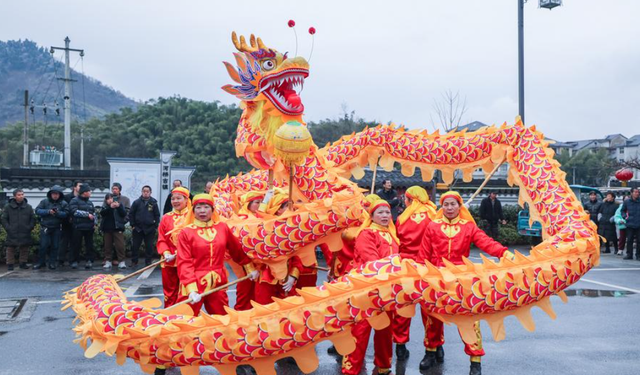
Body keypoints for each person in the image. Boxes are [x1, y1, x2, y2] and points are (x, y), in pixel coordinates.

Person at [419, 191, 510, 375]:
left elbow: (485, 242)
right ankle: (430, 351)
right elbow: (423, 254)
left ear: (459, 206)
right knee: (432, 316)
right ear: (441, 207)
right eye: (446, 204)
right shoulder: (432, 226)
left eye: (453, 204)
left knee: (469, 319)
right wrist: (422, 276)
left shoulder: (468, 227)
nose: (450, 208)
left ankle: (475, 361)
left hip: (463, 279)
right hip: (437, 277)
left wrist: (503, 252)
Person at [342, 197, 399, 375]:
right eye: (380, 212)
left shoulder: (392, 234)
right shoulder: (366, 234)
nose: (384, 216)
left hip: (387, 290)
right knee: (360, 331)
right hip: (366, 289)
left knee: (385, 329)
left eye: (387, 212)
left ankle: (383, 366)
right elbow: (371, 261)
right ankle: (351, 369)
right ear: (372, 216)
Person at [176, 194, 258, 316]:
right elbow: (184, 262)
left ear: (213, 210)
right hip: (194, 282)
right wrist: (191, 289)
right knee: (185, 319)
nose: (202, 211)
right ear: (193, 211)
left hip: (218, 282)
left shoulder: (222, 228)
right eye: (198, 207)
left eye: (206, 207)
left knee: (222, 318)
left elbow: (237, 250)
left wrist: (250, 268)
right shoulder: (186, 232)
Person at [392, 186, 437, 361]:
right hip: (428, 266)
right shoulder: (433, 213)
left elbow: (398, 242)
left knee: (403, 307)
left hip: (406, 266)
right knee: (430, 310)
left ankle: (400, 346)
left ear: (410, 199)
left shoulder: (402, 218)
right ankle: (434, 346)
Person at [156, 186, 191, 307]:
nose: (175, 201)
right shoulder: (166, 217)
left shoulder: (192, 217)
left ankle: (185, 317)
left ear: (186, 200)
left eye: (179, 198)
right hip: (169, 261)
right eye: (173, 198)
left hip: (188, 261)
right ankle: (170, 316)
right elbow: (161, 239)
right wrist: (166, 253)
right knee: (170, 292)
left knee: (186, 291)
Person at [232, 191, 265, 310]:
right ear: (248, 204)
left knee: (260, 299)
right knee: (244, 296)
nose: (260, 205)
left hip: (261, 265)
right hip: (245, 265)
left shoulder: (262, 217)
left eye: (261, 202)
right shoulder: (240, 219)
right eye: (257, 202)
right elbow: (237, 246)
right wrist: (249, 266)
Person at [34, 185, 68, 270]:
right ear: (50, 194)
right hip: (45, 227)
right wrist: (48, 211)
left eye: (57, 194)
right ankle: (41, 262)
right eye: (53, 194)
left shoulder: (63, 203)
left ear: (60, 194)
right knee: (43, 246)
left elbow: (66, 214)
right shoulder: (44, 202)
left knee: (55, 246)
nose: (55, 195)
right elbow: (37, 210)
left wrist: (57, 213)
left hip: (57, 227)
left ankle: (52, 263)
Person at [1, 189, 36, 271]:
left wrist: (30, 227)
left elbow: (33, 219)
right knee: (10, 248)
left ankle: (23, 263)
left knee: (24, 248)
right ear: (14, 196)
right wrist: (8, 228)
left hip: (25, 230)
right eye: (19, 195)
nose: (21, 196)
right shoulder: (8, 207)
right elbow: (3, 219)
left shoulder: (28, 207)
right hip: (12, 230)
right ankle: (10, 264)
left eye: (22, 194)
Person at [130, 186, 160, 267]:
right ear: (142, 192)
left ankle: (148, 262)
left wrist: (155, 225)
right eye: (144, 191)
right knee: (135, 246)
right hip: (138, 228)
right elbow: (131, 214)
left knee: (149, 246)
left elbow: (157, 215)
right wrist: (133, 225)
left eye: (147, 191)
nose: (145, 193)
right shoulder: (136, 202)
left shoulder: (153, 202)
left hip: (150, 229)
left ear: (150, 192)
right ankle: (134, 261)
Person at [69, 184, 97, 269]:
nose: (90, 192)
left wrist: (95, 223)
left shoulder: (90, 202)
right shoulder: (74, 200)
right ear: (84, 192)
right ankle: (74, 261)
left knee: (89, 245)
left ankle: (89, 260)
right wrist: (87, 214)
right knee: (76, 245)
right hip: (78, 226)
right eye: (89, 191)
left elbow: (94, 213)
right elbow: (74, 211)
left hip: (89, 227)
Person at [100, 192, 128, 270]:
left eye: (111, 198)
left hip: (117, 228)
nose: (110, 200)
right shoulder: (105, 206)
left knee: (120, 246)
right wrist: (110, 208)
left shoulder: (119, 204)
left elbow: (124, 214)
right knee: (107, 246)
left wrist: (118, 207)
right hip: (107, 228)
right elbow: (102, 214)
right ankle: (108, 261)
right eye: (108, 199)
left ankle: (121, 261)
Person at [59, 180, 81, 267]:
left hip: (77, 223)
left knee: (75, 242)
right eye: (79, 186)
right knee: (64, 242)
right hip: (66, 223)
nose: (81, 188)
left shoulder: (82, 198)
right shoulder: (67, 197)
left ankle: (73, 260)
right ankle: (60, 260)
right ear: (74, 187)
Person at [621, 188, 640, 260]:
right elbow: (622, 210)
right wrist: (624, 217)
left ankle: (638, 255)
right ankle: (629, 254)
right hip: (630, 223)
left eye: (638, 192)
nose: (637, 193)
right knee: (629, 240)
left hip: (639, 223)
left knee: (639, 240)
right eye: (635, 192)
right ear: (631, 193)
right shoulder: (627, 202)